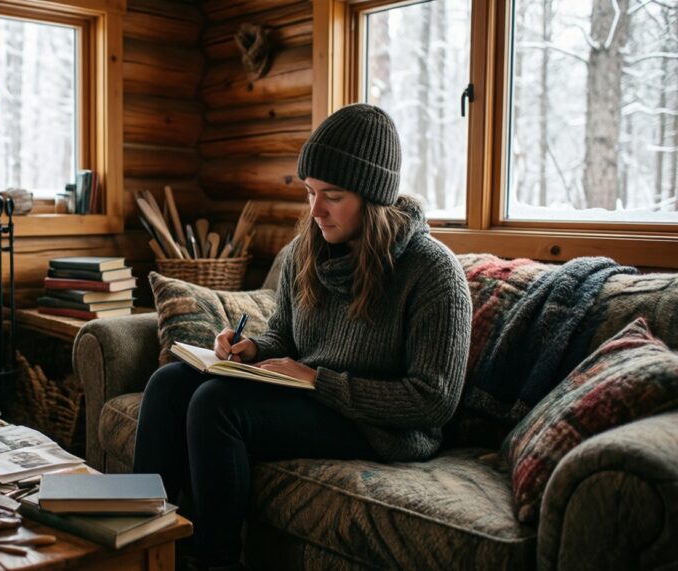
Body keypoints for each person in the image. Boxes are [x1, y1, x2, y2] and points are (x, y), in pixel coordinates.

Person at [132, 103, 473, 571]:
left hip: (381, 427)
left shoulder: (432, 272)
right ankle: (141, 546)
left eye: (332, 196)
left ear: (373, 199)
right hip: (313, 397)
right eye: (310, 192)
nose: (315, 210)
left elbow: (434, 401)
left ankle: (215, 561)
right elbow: (284, 336)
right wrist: (253, 349)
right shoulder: (304, 252)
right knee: (169, 384)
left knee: (216, 405)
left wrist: (318, 380)